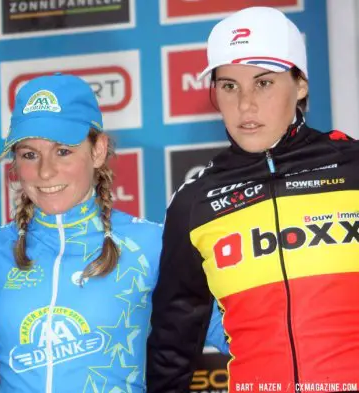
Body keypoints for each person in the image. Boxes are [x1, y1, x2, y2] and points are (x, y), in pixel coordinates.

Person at [147, 6, 359, 393]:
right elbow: (172, 346)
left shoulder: (353, 169)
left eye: (263, 83)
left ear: (301, 84)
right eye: (229, 86)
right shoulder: (195, 201)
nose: (245, 104)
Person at [0, 74, 164, 392]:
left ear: (98, 150)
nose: (45, 171)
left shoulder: (150, 245)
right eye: (29, 154)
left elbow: (240, 334)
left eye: (63, 151)